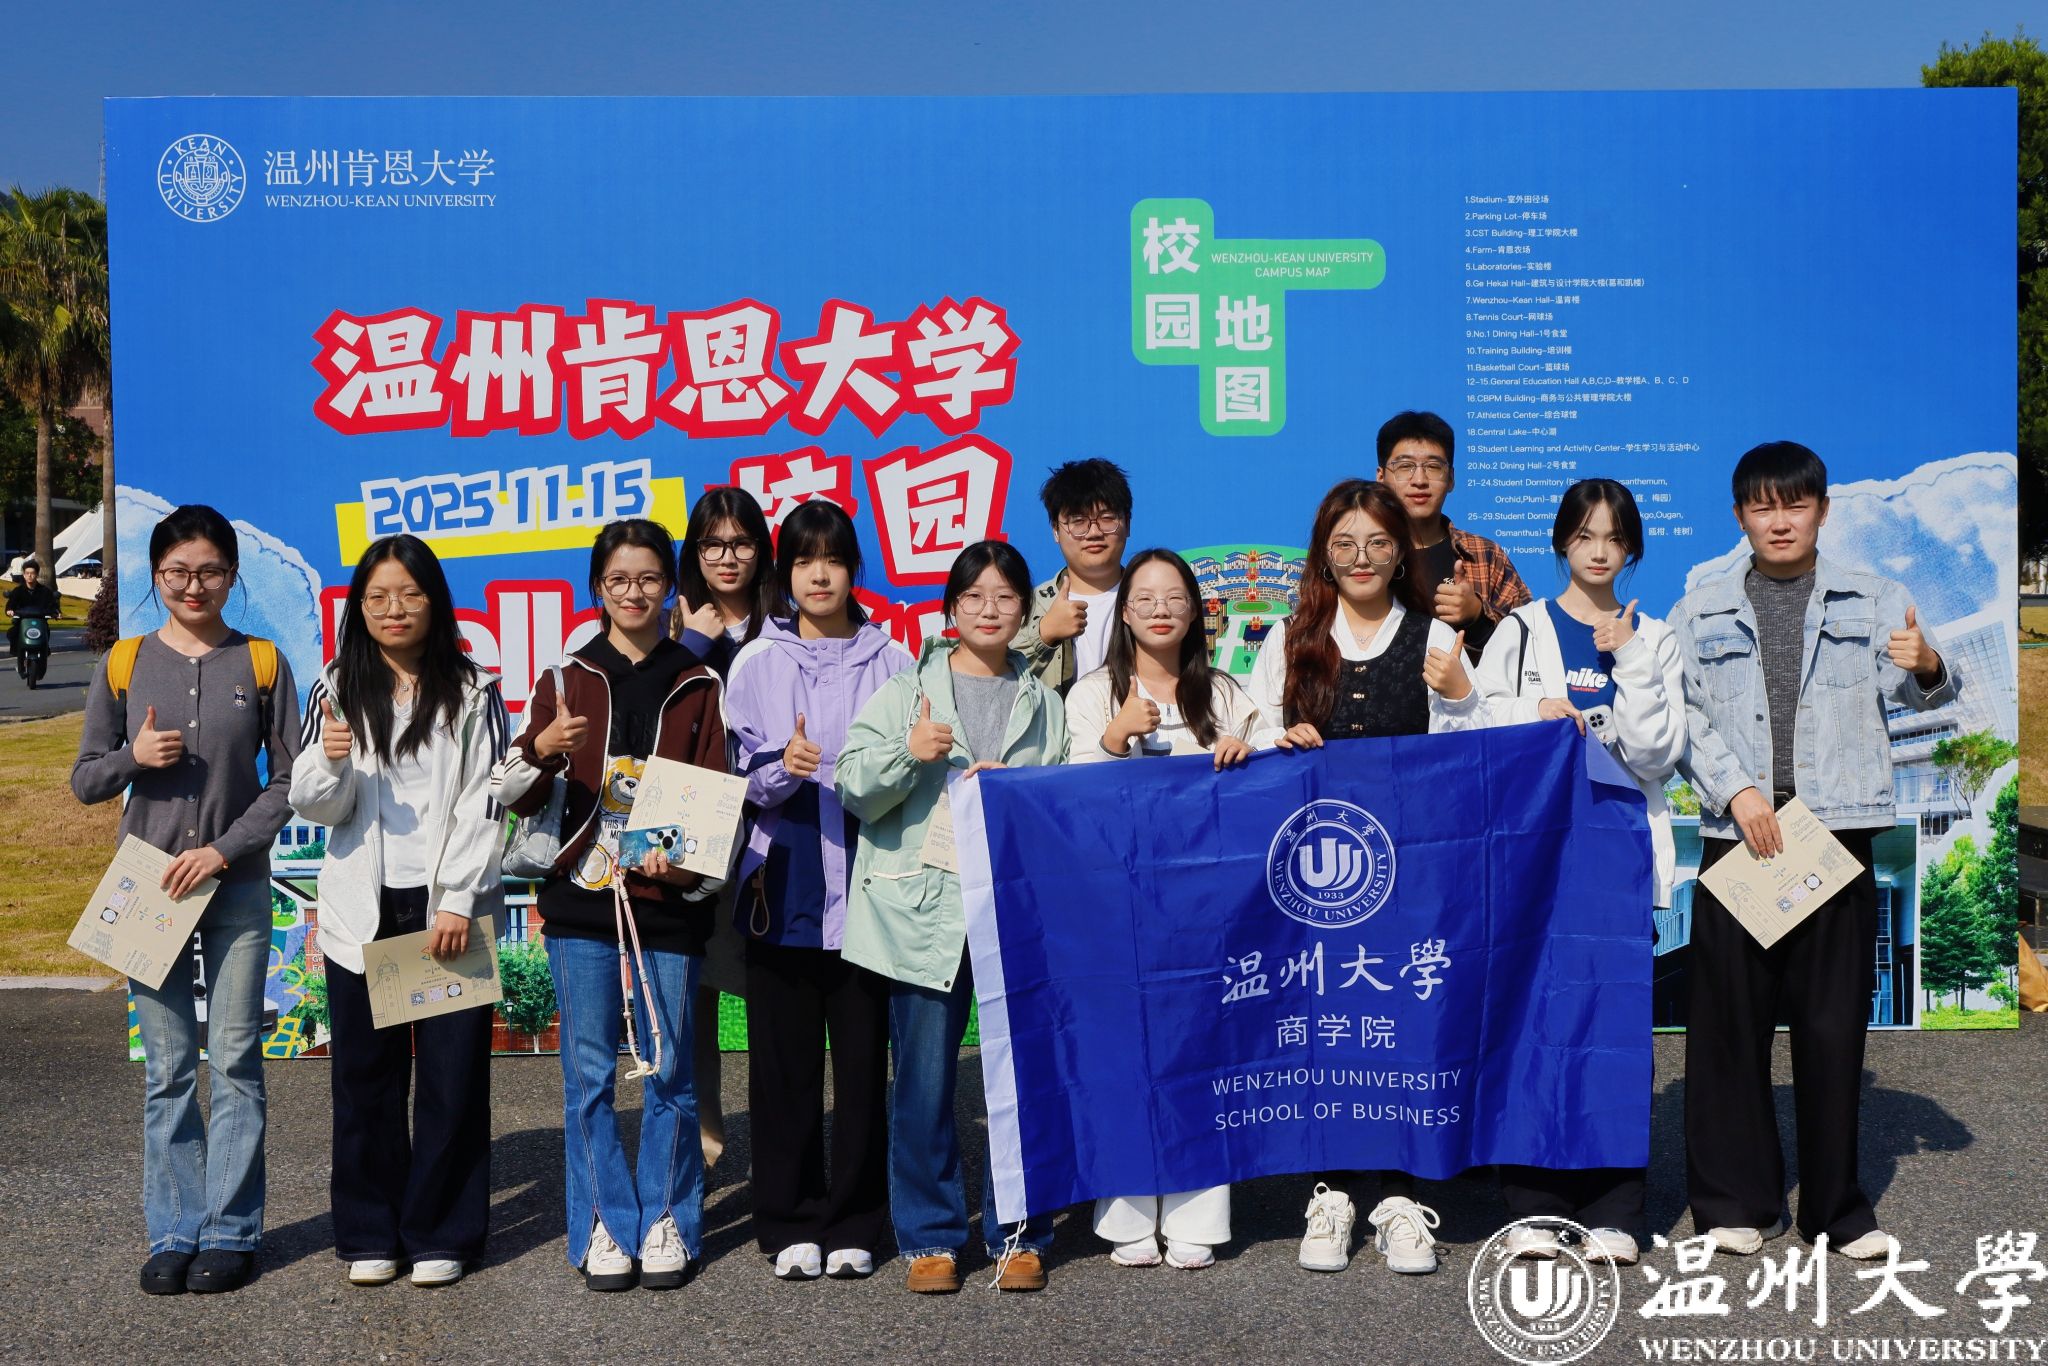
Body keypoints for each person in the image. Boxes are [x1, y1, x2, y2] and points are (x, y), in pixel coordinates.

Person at [1668, 441, 1958, 1261]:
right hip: (1740, 836)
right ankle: (1737, 1202)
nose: (1779, 520)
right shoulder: (1701, 609)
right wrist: (1738, 791)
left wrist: (1928, 665)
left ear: (1823, 511)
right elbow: (1682, 713)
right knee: (1729, 1028)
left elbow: (1925, 690)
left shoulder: (1875, 597)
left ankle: (1838, 1211)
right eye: (1762, 506)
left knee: (1832, 1031)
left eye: (1795, 504)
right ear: (1739, 516)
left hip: (1836, 835)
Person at [1245, 478, 1484, 1277]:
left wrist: (1463, 695)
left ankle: (1402, 1198)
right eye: (1344, 543)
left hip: (1413, 878)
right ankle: (1334, 1193)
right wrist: (1280, 738)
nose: (1361, 558)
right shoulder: (1291, 638)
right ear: (1324, 553)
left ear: (1401, 552)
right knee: (1330, 1029)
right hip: (1317, 879)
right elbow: (1249, 732)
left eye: (1378, 542)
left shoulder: (1434, 636)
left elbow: (1473, 753)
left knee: (1405, 1025)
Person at [492, 517, 730, 1292]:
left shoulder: (697, 682)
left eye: (649, 578)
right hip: (579, 903)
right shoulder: (564, 679)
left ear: (670, 588)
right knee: (589, 1076)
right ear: (598, 587)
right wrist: (541, 748)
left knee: (670, 1072)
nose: (634, 593)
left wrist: (680, 860)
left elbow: (712, 798)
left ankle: (666, 1219)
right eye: (619, 579)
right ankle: (602, 1221)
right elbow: (511, 794)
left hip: (667, 902)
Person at [71, 505, 302, 1296]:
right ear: (156, 575)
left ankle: (231, 1234)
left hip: (234, 884)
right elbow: (85, 779)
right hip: (148, 889)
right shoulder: (125, 662)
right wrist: (133, 756)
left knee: (235, 1061)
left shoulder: (262, 661)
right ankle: (173, 1230)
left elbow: (290, 781)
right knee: (168, 1068)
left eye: (208, 572)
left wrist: (223, 849)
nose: (193, 586)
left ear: (231, 576)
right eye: (177, 572)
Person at [837, 540, 1071, 1295]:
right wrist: (909, 753)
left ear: (1025, 609)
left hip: (1013, 914)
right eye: (975, 596)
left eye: (1006, 596)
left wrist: (1020, 795)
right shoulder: (908, 692)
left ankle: (1019, 1234)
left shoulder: (1045, 702)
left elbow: (1065, 808)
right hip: (922, 911)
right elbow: (852, 786)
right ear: (950, 608)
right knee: (924, 1083)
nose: (990, 609)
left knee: (1018, 1080)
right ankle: (931, 1239)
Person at [288, 534, 510, 1289]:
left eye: (410, 594)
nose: (394, 609)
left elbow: (487, 801)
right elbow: (318, 807)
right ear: (358, 606)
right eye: (378, 596)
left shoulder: (472, 690)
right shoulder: (336, 686)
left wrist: (458, 900)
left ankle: (443, 1233)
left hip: (445, 908)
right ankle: (369, 1233)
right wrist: (331, 760)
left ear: (434, 601)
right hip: (364, 905)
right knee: (365, 1080)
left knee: (451, 1078)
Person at [1471, 479, 1684, 1267]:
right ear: (1562, 541)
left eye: (1615, 538)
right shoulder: (1521, 631)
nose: (1600, 551)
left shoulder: (1654, 637)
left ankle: (1614, 1208)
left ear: (1632, 550)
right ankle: (1533, 1206)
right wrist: (1531, 716)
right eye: (1586, 535)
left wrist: (1625, 657)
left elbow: (1658, 754)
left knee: (1613, 1028)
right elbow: (1474, 726)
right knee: (1529, 1023)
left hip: (1618, 857)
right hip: (1532, 860)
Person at [721, 500, 911, 1281]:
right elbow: (731, 780)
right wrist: (781, 768)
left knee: (864, 1068)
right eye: (804, 560)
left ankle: (858, 1220)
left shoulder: (894, 660)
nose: (819, 574)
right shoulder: (756, 662)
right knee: (783, 1068)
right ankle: (789, 1219)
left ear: (854, 569)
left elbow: (912, 770)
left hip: (871, 889)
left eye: (832, 559)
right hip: (785, 882)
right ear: (785, 573)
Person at [1065, 548, 1262, 1271]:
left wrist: (1250, 749)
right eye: (1144, 597)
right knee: (1124, 1052)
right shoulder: (1091, 694)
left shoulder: (1227, 693)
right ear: (1124, 612)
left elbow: (1270, 774)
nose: (1159, 609)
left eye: (1174, 597)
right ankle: (1125, 1213)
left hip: (1209, 911)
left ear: (1196, 611)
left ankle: (1197, 1213)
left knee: (1203, 1052)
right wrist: (1114, 739)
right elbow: (1070, 802)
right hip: (1116, 908)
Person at [671, 486, 782, 1171]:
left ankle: (779, 1150)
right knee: (694, 992)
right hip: (694, 820)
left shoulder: (787, 623)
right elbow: (652, 711)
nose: (727, 557)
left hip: (774, 823)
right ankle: (704, 1145)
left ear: (761, 550)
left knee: (771, 988)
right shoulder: (673, 624)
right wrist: (691, 644)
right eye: (712, 544)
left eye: (740, 543)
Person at [1374, 410, 1531, 662]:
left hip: (1467, 687)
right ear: (1381, 477)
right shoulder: (1361, 554)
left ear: (1451, 479)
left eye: (1433, 467)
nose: (1419, 480)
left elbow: (1529, 648)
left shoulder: (1485, 554)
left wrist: (1477, 618)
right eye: (1405, 467)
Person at [1012, 458, 1133, 696]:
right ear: (1055, 530)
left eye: (1107, 518)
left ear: (1127, 524)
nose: (1094, 532)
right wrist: (1044, 635)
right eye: (1078, 521)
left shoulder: (1154, 600)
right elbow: (993, 681)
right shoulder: (1029, 606)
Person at [7, 557, 59, 659]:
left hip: (40, 622)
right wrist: (9, 610)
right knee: (12, 633)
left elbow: (52, 605)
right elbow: (11, 604)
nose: (29, 576)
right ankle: (17, 653)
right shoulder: (18, 591)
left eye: (32, 573)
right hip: (22, 621)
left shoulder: (45, 591)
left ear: (37, 574)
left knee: (46, 632)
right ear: (23, 575)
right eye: (27, 573)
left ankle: (44, 650)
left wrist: (56, 612)